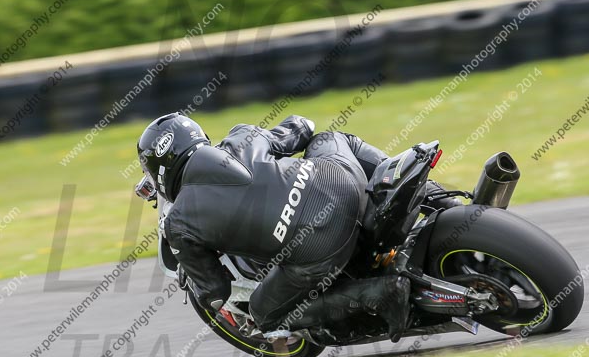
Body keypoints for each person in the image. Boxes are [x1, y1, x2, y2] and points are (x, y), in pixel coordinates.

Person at [137, 112, 419, 343]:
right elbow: (303, 126)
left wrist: (196, 281)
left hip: (322, 244)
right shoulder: (241, 138)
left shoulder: (178, 223)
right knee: (329, 138)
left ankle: (382, 294)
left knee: (265, 315)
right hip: (344, 180)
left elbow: (216, 291)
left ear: (160, 171)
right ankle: (420, 188)